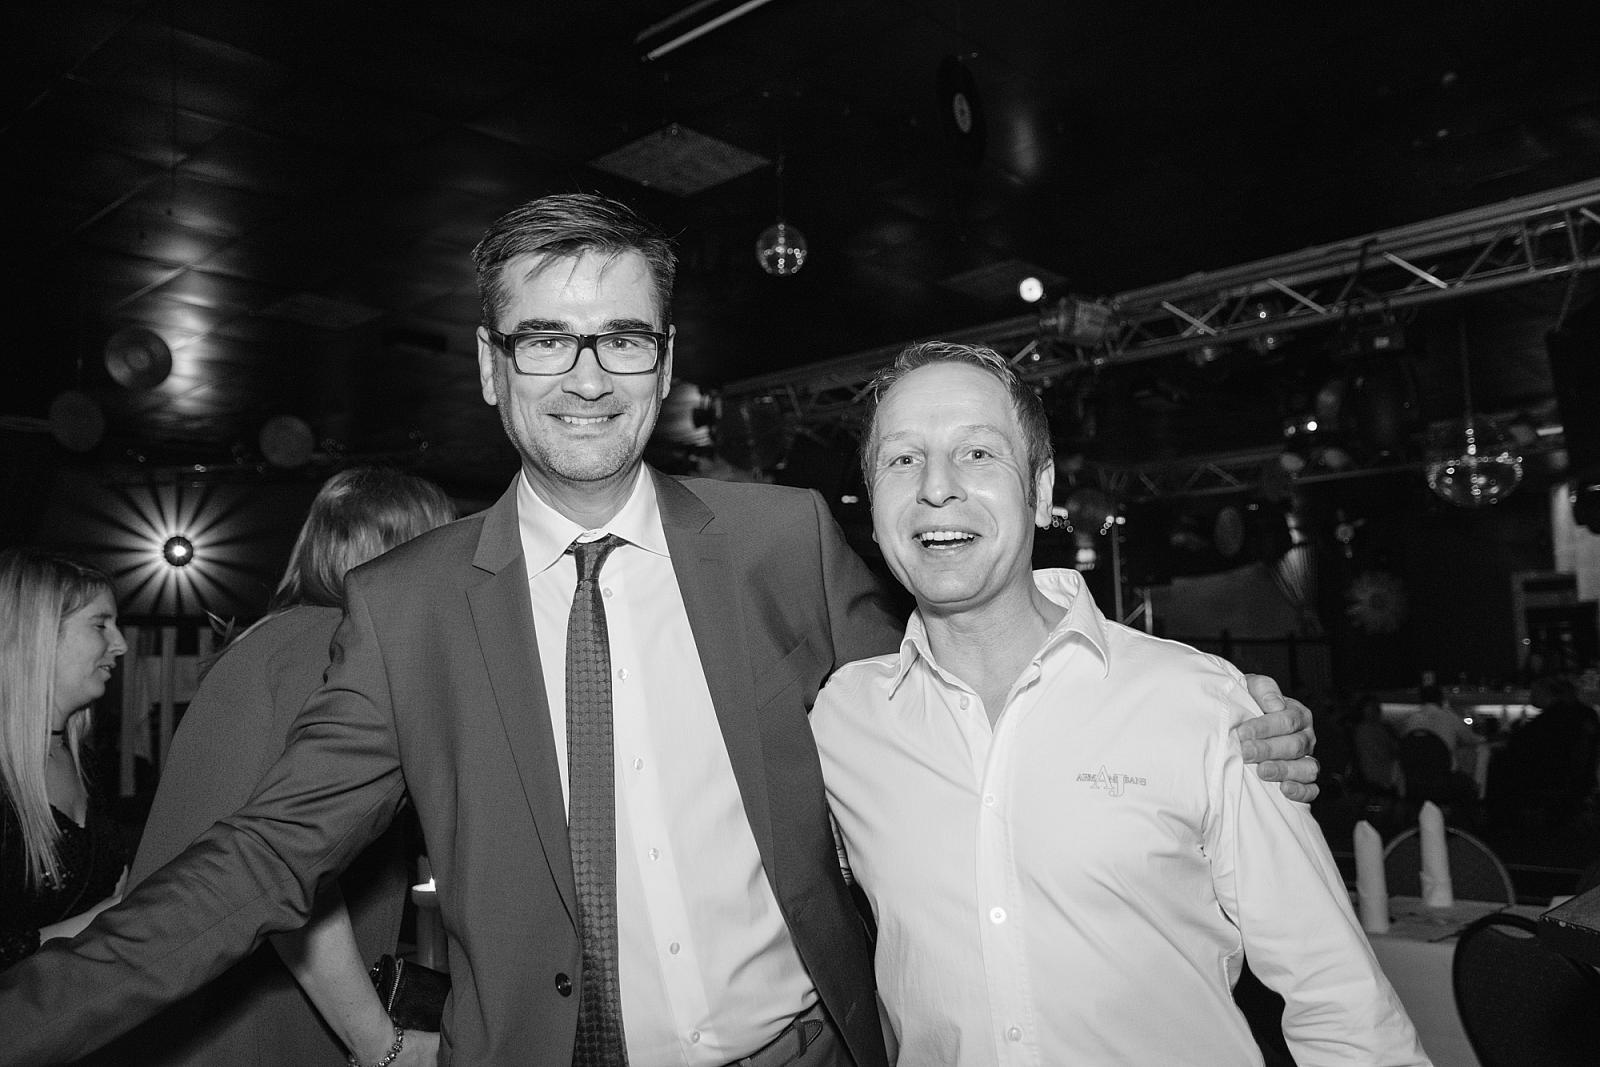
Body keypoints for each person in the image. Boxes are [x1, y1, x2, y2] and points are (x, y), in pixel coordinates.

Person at [0, 194, 1316, 1067]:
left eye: (621, 338)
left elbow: (956, 713)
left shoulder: (780, 540)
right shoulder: (405, 606)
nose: (586, 375)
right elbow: (263, 856)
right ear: (489, 366)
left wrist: (1206, 731)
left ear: (667, 361)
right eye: (545, 339)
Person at [811, 342, 1424, 1064]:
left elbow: (1342, 1003)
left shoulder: (1201, 704)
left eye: (977, 453)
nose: (936, 486)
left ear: (1040, 488)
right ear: (872, 501)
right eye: (902, 459)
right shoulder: (845, 720)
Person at [110, 468, 455, 1066]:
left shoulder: (276, 638)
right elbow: (291, 867)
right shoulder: (329, 648)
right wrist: (381, 1045)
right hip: (246, 1023)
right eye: (444, 547)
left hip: (204, 1008)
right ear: (405, 553)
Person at [0, 550, 128, 971]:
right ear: (37, 635)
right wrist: (104, 920)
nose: (121, 644)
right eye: (100, 624)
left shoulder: (83, 760)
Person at [1401, 683, 1484, 777]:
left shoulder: (1410, 720)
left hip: (1415, 776)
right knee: (1478, 752)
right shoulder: (1449, 717)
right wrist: (1485, 738)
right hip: (1445, 775)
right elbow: (1469, 739)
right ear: (1441, 699)